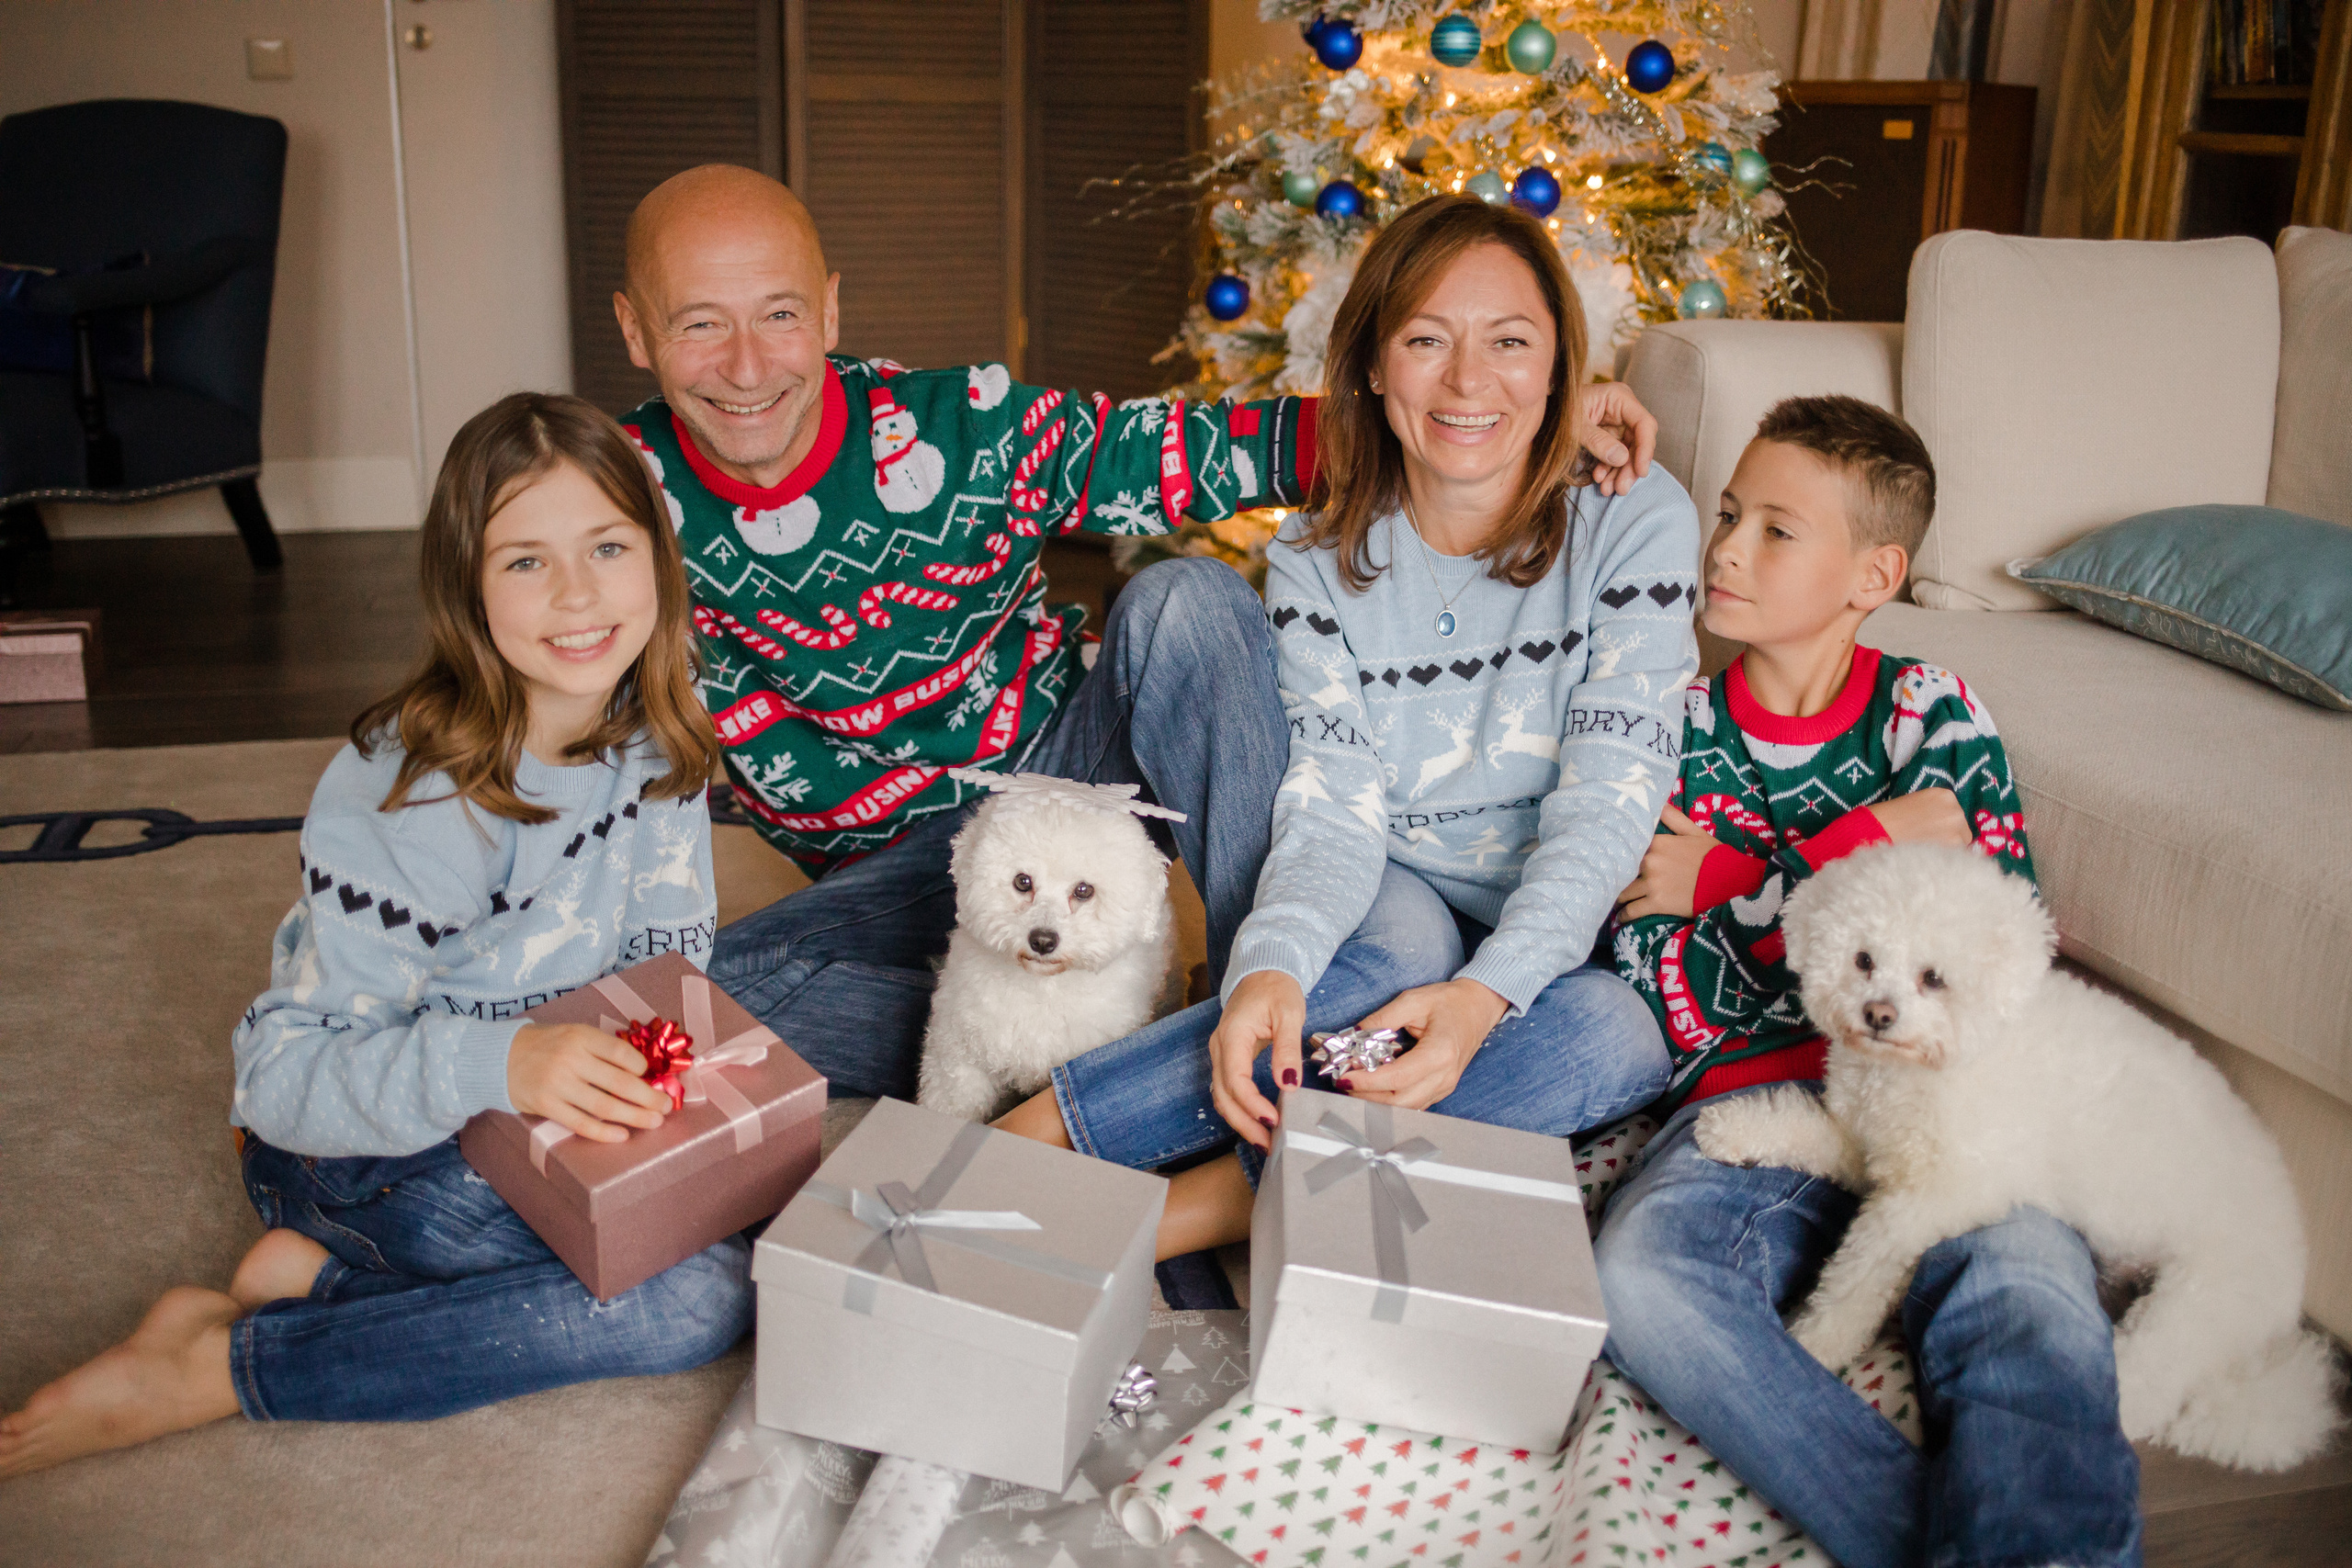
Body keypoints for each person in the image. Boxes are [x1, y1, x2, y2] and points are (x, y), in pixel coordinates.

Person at [609, 164, 1660, 1102]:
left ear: (829, 310)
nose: (746, 367)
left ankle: (1268, 990)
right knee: (674, 1014)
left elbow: (1195, 449)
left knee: (1187, 604)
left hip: (1061, 782)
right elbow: (558, 725)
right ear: (634, 332)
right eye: (700, 323)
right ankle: (1092, 1032)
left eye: (778, 314)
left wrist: (1528, 409)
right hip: (892, 877)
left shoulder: (955, 429)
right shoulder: (609, 507)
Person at [0, 394, 748, 1478]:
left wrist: (658, 1107)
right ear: (465, 587)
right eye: (526, 562)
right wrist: (511, 1061)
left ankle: (325, 1283)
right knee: (695, 1298)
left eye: (607, 547)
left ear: (657, 561)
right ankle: (230, 1365)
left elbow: (664, 969)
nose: (581, 594)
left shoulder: (657, 731)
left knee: (757, 1202)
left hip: (528, 1114)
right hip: (354, 1152)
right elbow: (284, 1082)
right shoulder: (417, 799)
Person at [997, 195, 1698, 1258]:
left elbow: (1608, 798)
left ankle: (1172, 1215)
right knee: (1393, 941)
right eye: (1426, 340)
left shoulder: (1636, 519)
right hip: (1391, 898)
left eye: (1510, 343)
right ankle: (1028, 1137)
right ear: (1371, 366)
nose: (1468, 381)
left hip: (1556, 929)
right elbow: (1332, 808)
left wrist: (1483, 997)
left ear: (1560, 366)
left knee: (1615, 1037)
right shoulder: (1316, 561)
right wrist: (1272, 967)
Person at [1594, 396, 2140, 1567]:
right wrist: (1869, 843)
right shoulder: (1667, 731)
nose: (1726, 548)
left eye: (1775, 530)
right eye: (1728, 515)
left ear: (1871, 574)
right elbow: (1662, 973)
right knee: (1640, 1280)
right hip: (1749, 1106)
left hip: (1955, 1108)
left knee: (2033, 1306)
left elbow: (1994, 935)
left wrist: (1740, 875)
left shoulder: (1929, 714)